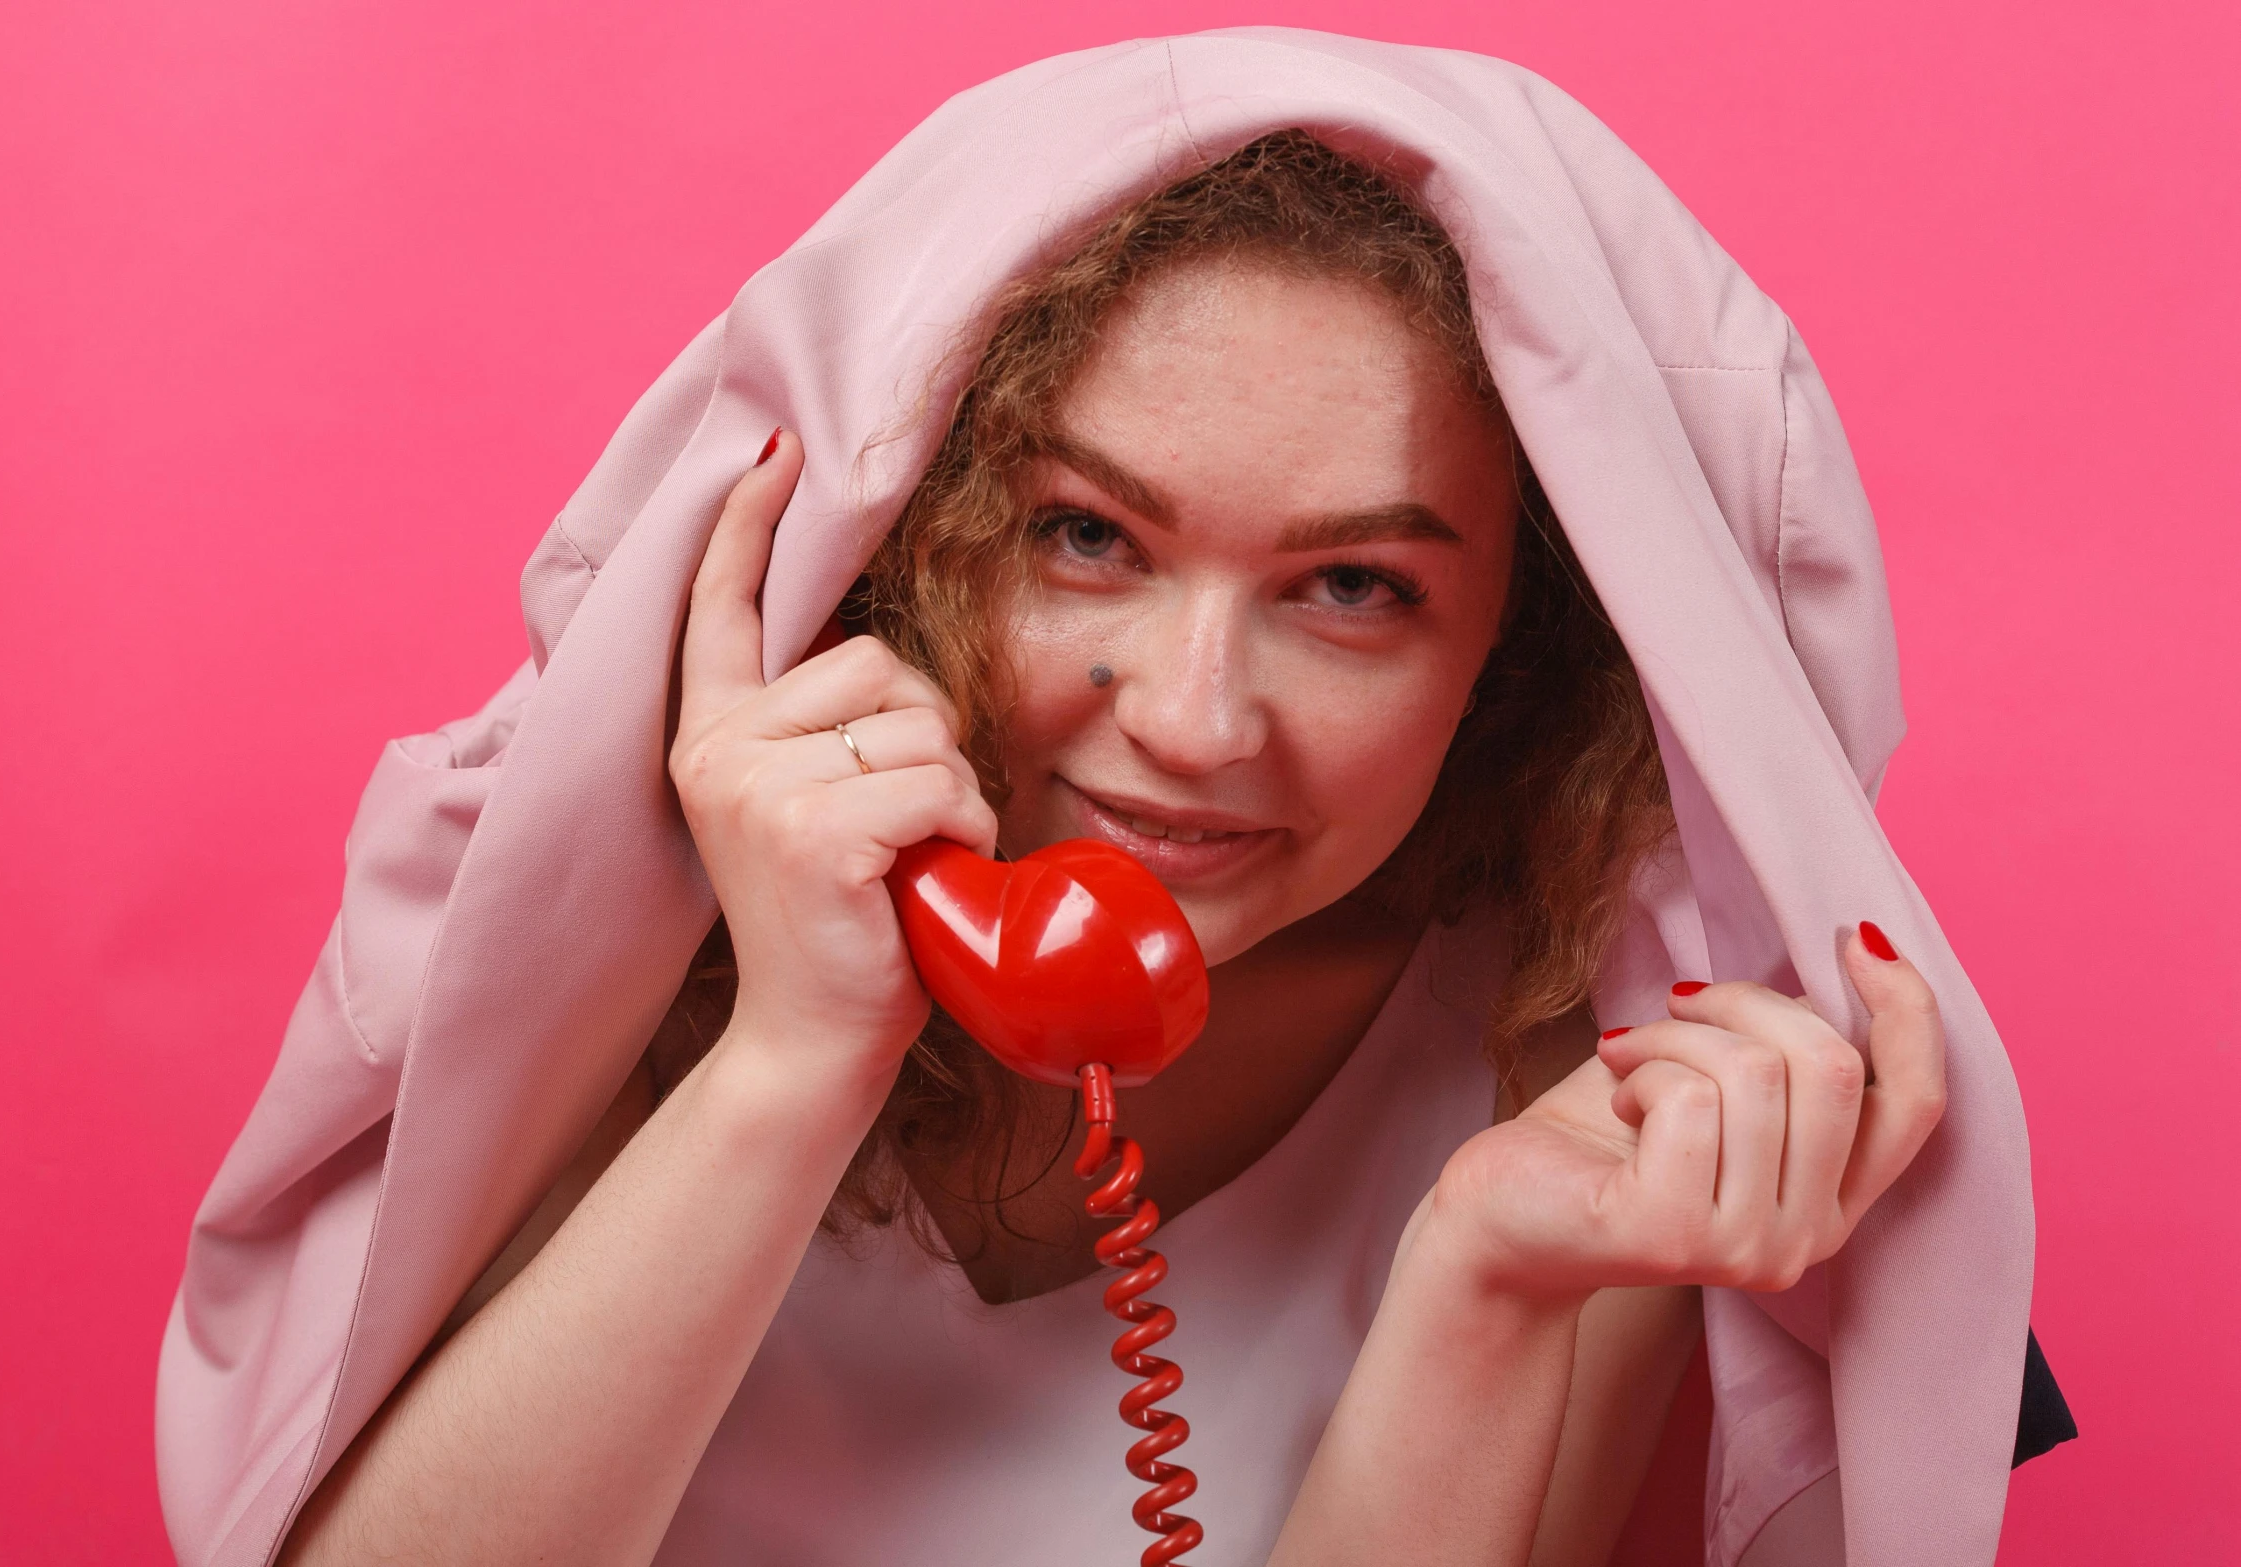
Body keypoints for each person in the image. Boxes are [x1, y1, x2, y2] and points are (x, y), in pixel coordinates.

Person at [157, 31, 2052, 1567]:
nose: (1197, 721)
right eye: (1084, 538)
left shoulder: (1574, 1077)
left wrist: (1483, 1287)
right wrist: (793, 1051)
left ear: (1524, 644)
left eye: (1355, 587)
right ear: (908, 538)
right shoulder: (631, 935)